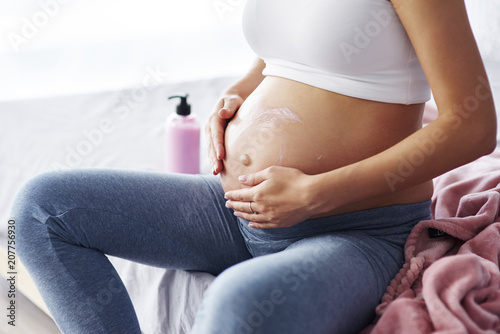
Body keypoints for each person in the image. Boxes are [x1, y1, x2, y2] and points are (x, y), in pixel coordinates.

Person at [12, 0, 496, 333]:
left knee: (239, 301)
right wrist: (238, 93)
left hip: (357, 230)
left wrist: (315, 193)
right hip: (235, 209)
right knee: (41, 209)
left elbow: (472, 125)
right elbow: (283, 54)